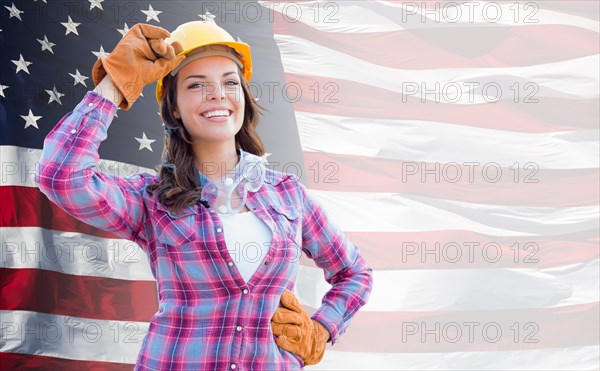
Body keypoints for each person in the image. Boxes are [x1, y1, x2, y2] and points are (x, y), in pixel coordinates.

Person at [36, 21, 373, 370]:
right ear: (175, 107)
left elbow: (355, 273)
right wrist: (114, 83)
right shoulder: (151, 200)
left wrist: (321, 329)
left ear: (243, 96)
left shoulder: (288, 194)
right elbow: (60, 174)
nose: (217, 94)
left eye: (229, 82)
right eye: (197, 85)